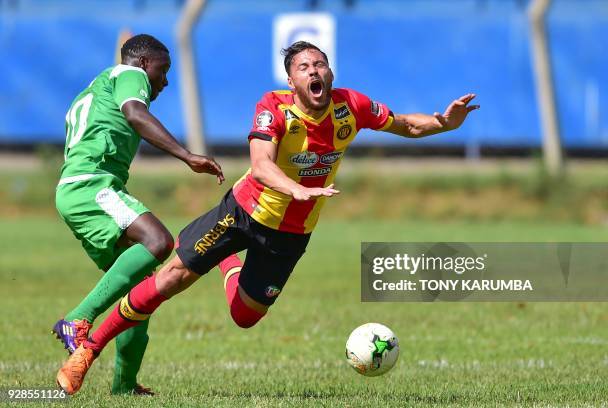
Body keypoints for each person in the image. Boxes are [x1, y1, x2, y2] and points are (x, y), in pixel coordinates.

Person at [56, 40, 478, 395]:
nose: (315, 70)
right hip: (241, 213)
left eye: (320, 63)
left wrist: (444, 122)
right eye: (304, 66)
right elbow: (260, 165)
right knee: (169, 277)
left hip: (292, 234)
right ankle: (87, 351)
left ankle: (229, 263)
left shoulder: (352, 106)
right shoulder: (273, 108)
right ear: (291, 81)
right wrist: (296, 188)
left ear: (329, 73)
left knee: (245, 317)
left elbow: (406, 124)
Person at [52, 34, 224, 395]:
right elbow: (135, 113)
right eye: (163, 71)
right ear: (144, 63)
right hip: (92, 186)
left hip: (81, 188)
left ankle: (124, 388)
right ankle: (78, 319)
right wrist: (187, 155)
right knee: (159, 241)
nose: (164, 81)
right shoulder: (130, 76)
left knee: (140, 292)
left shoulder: (99, 86)